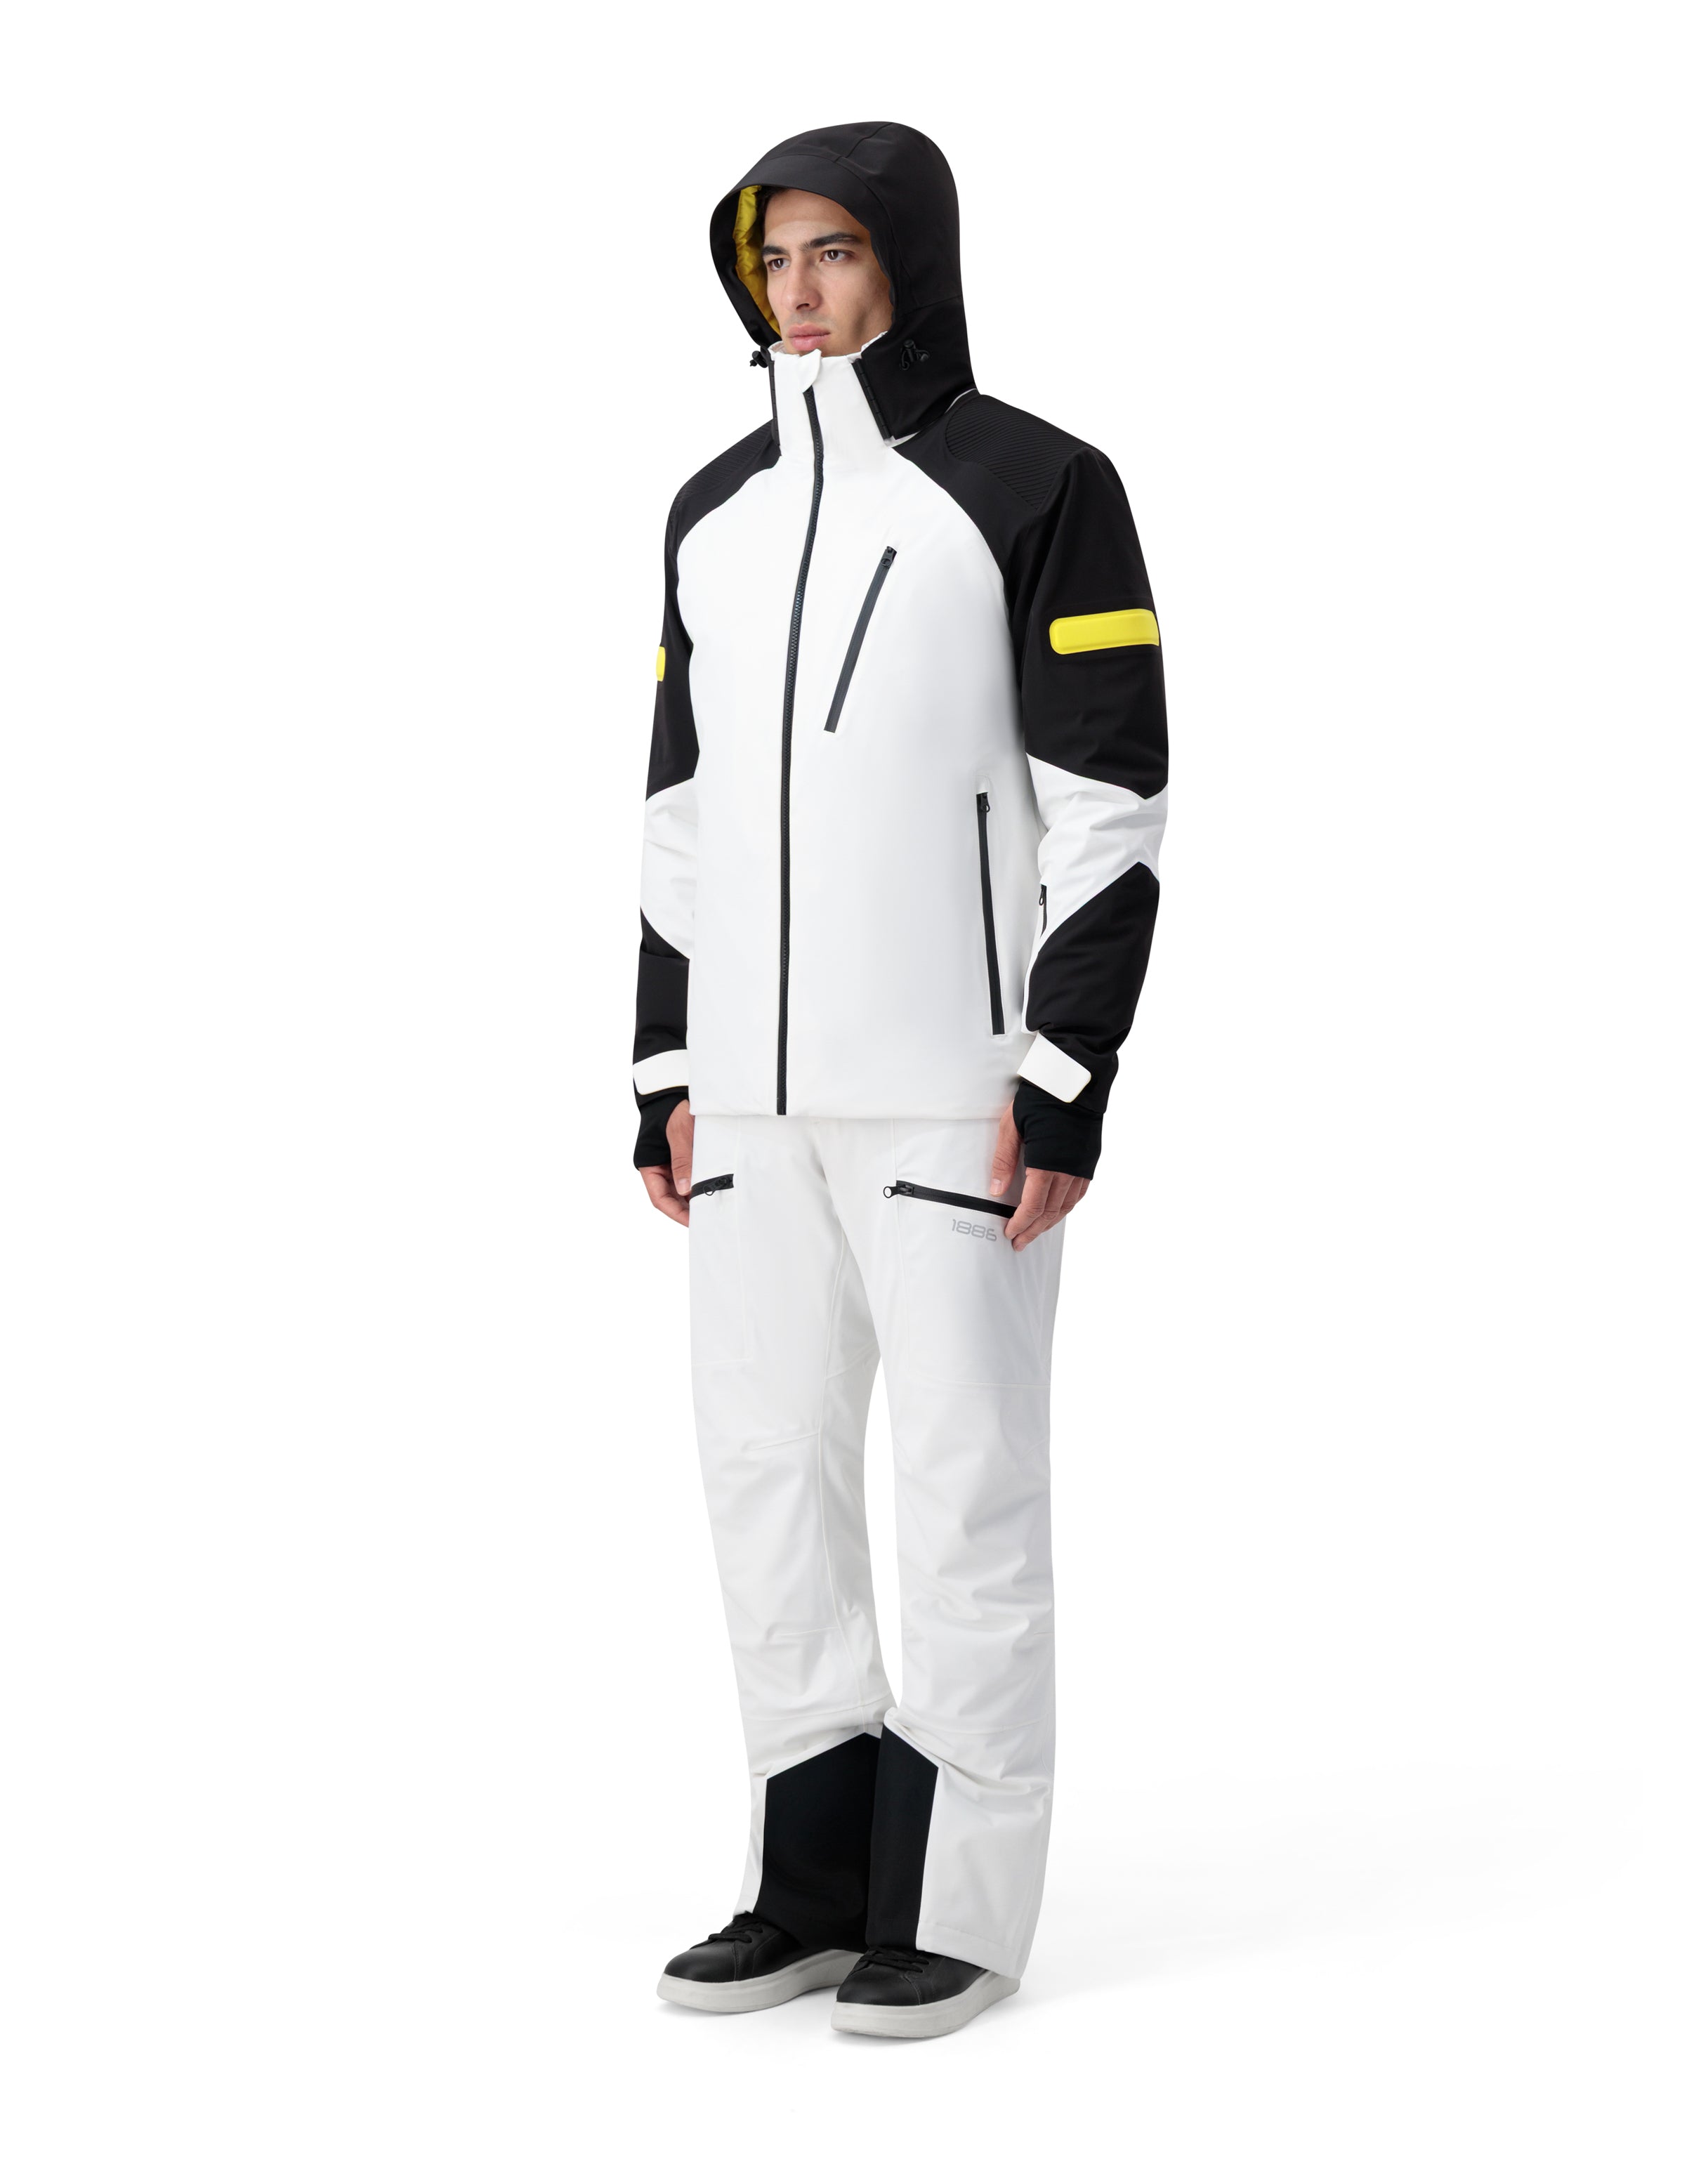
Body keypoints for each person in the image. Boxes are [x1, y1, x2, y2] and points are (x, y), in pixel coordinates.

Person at [632, 122, 1167, 2039]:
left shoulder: (1037, 485)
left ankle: (960, 1905)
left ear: (910, 262)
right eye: (775, 257)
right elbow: (680, 818)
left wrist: (1066, 1077)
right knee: (764, 1478)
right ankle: (810, 1885)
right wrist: (662, 1066)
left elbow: (1111, 809)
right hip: (752, 1109)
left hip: (956, 1093)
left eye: (838, 252)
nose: (801, 291)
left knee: (963, 1492)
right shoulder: (712, 510)